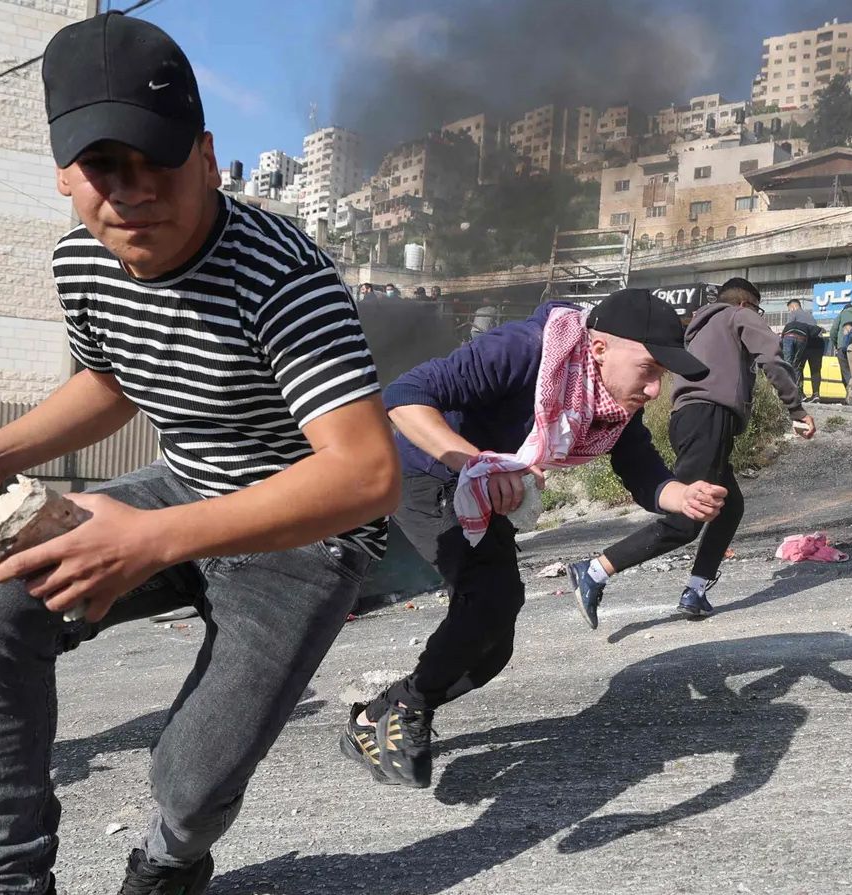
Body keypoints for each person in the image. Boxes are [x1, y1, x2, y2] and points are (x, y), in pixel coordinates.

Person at [0, 15, 402, 894]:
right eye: (102, 169)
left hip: (302, 528)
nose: (131, 194)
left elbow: (364, 474)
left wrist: (149, 541)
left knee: (193, 781)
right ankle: (9, 874)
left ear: (206, 155)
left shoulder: (286, 280)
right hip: (182, 482)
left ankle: (170, 862)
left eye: (156, 163)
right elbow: (110, 382)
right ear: (64, 173)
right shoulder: (82, 260)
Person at [346, 289, 726, 789]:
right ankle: (405, 709)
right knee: (489, 598)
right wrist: (474, 462)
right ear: (599, 349)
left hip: (486, 486)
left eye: (663, 375)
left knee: (492, 648)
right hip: (427, 471)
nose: (656, 389)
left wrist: (680, 495)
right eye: (650, 369)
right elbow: (404, 397)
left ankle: (374, 718)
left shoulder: (609, 400)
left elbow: (639, 465)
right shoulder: (522, 350)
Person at [570, 278, 812, 623]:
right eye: (756, 310)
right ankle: (593, 571)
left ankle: (695, 591)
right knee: (688, 516)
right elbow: (771, 358)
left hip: (686, 418)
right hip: (711, 416)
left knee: (728, 507)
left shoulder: (699, 327)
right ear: (746, 304)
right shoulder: (738, 315)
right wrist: (797, 410)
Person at [780, 303, 826, 401]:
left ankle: (800, 393)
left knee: (798, 367)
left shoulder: (794, 314)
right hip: (818, 345)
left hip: (805, 343)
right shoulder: (810, 316)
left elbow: (790, 327)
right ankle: (816, 394)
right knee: (815, 370)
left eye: (789, 309)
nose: (790, 311)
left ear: (793, 307)